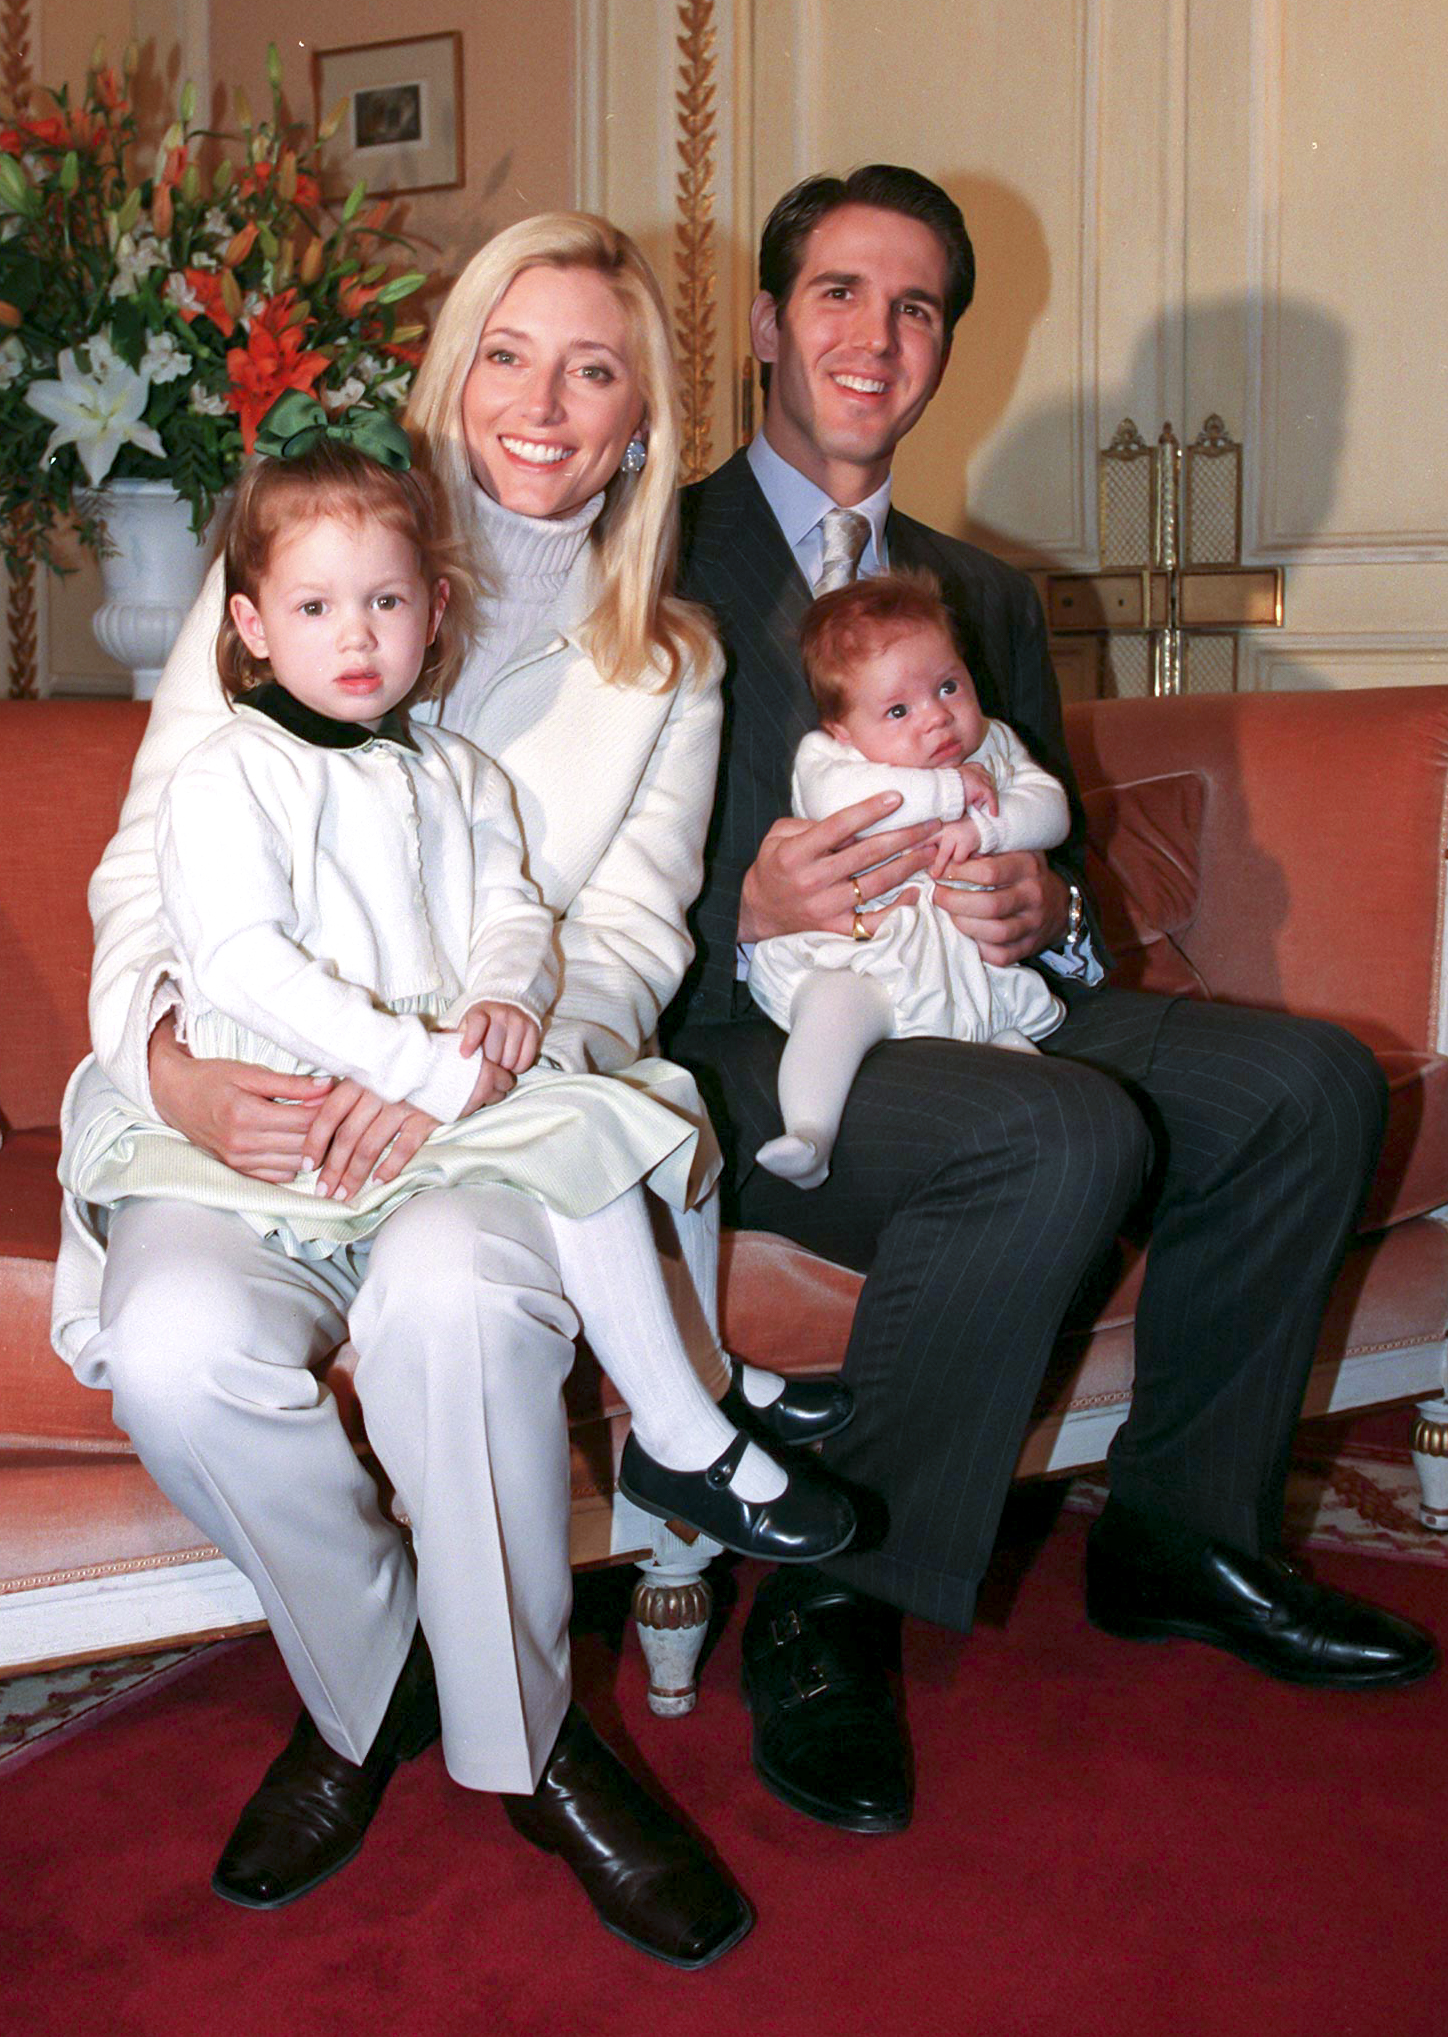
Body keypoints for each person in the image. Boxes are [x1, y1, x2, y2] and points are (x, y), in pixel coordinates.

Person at [52, 214, 844, 1966]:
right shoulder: (297, 564)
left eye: (593, 366)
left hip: (482, 1112)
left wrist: (470, 1070)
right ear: (451, 368)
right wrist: (176, 1063)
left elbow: (621, 943)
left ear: (643, 419)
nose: (541, 402)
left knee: (457, 1300)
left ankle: (533, 1744)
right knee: (182, 1349)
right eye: (507, 350)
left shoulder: (672, 665)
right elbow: (144, 866)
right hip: (242, 1098)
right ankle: (374, 1682)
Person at [669, 163, 1432, 1840]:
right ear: (766, 327)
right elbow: (540, 870)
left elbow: (1057, 862)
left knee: (1305, 1083)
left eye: (918, 305)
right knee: (1051, 1130)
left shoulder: (986, 596)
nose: (879, 335)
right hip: (763, 1036)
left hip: (989, 1003)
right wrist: (734, 907)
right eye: (841, 294)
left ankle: (1180, 1534)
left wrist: (1057, 902)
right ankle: (826, 1589)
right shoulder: (644, 558)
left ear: (943, 344)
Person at [62, 402, 856, 1570]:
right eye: (317, 609)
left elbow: (515, 912)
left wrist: (504, 999)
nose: (355, 636)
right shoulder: (232, 766)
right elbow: (237, 958)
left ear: (432, 612)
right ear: (252, 624)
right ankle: (694, 1412)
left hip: (416, 1093)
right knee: (570, 1133)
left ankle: (691, 1410)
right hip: (292, 1094)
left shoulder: (452, 767)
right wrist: (424, 1064)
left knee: (583, 1127)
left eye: (383, 603)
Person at [749, 569, 1068, 1187]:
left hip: (973, 967)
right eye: (898, 709)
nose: (936, 720)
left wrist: (988, 831)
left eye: (949, 686)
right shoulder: (831, 758)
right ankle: (810, 1133)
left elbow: (1051, 809)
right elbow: (849, 795)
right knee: (832, 1013)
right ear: (843, 728)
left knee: (1020, 1057)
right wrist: (950, 791)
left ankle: (1042, 1113)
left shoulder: (996, 745)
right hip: (870, 958)